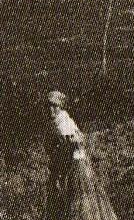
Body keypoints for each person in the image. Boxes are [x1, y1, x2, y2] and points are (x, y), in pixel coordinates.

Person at [45, 90, 118, 220]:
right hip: (67, 165)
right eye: (49, 105)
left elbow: (72, 145)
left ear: (60, 107)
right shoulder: (56, 122)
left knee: (80, 203)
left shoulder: (63, 122)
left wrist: (60, 164)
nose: (51, 109)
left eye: (54, 105)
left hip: (74, 166)